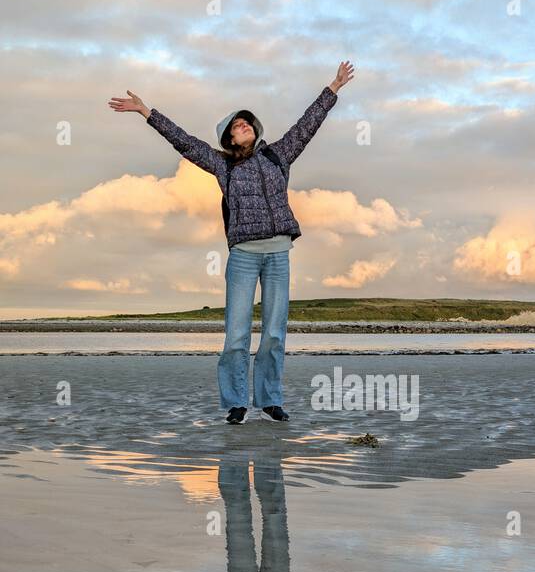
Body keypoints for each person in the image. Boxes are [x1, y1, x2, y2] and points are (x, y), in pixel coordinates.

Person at [109, 62, 355, 422]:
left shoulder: (277, 155)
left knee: (273, 333)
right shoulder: (223, 165)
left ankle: (270, 399)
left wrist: (332, 87)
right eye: (235, 127)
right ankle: (237, 402)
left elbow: (307, 126)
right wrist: (147, 112)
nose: (242, 127)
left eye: (246, 123)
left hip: (278, 253)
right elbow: (185, 142)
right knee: (237, 335)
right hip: (242, 256)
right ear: (228, 140)